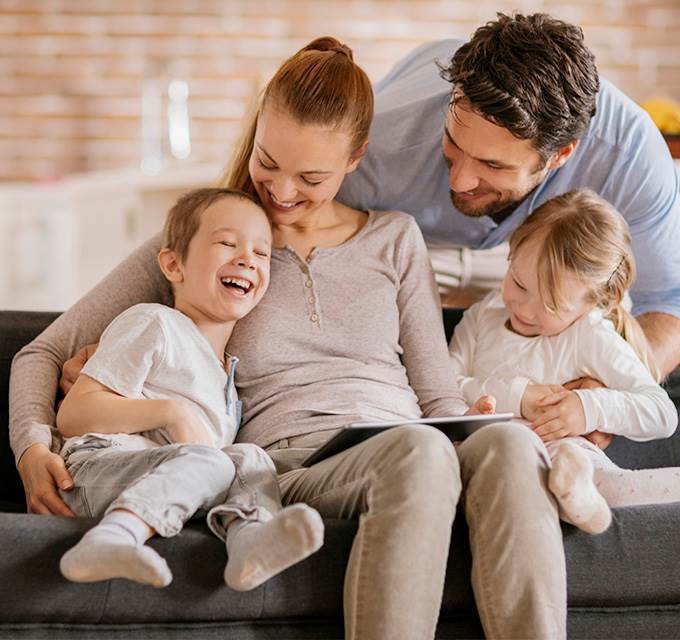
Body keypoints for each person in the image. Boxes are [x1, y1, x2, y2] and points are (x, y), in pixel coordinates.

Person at [12, 37, 560, 640]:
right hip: (299, 461)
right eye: (267, 162)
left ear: (356, 159)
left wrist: (474, 422)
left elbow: (436, 397)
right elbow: (44, 350)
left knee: (508, 444)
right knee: (421, 453)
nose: (281, 192)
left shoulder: (396, 239)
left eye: (311, 176)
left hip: (406, 435)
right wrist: (32, 447)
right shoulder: (217, 242)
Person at [338, 12, 680, 378]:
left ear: (561, 155)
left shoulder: (628, 154)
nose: (459, 181)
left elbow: (669, 300)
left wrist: (606, 398)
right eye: (453, 143)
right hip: (407, 241)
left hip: (527, 263)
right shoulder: (373, 148)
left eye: (493, 165)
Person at [55, 187, 324, 590]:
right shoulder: (154, 323)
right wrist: (171, 412)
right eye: (227, 243)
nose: (246, 258)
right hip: (96, 470)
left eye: (261, 252)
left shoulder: (226, 380)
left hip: (168, 481)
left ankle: (249, 541)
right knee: (215, 462)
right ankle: (112, 536)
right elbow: (74, 415)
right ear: (173, 265)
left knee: (249, 457)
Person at [448, 190, 679, 535]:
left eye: (552, 306)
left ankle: (582, 500)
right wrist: (518, 396)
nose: (524, 309)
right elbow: (444, 384)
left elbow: (661, 413)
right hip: (491, 455)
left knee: (592, 474)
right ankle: (579, 506)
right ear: (511, 254)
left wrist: (587, 407)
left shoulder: (590, 335)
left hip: (570, 456)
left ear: (592, 304)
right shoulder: (483, 317)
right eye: (519, 283)